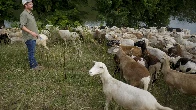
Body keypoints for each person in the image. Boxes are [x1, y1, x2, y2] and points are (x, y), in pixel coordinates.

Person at [20, 0, 44, 70]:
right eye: (30, 4)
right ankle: (33, 67)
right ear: (25, 5)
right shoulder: (24, 14)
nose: (32, 5)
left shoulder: (30, 13)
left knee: (33, 51)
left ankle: (35, 65)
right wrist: (31, 32)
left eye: (32, 4)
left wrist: (37, 34)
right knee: (31, 52)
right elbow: (22, 26)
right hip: (29, 37)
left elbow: (32, 25)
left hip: (33, 36)